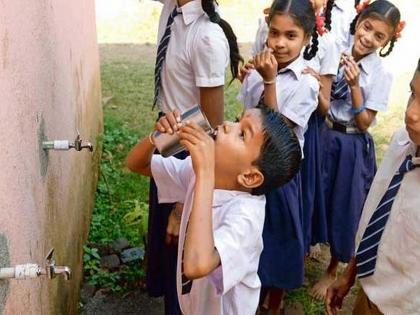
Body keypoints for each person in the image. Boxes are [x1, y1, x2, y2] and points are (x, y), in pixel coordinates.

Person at [126, 106, 302, 315]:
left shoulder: (246, 218)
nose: (228, 125)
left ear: (249, 177)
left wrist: (205, 173)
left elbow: (196, 266)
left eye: (242, 134)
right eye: (237, 120)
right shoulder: (197, 172)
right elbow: (136, 164)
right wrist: (157, 138)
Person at [148, 0, 241, 313]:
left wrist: (180, 203)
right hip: (168, 134)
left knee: (182, 258)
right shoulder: (172, 9)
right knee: (166, 250)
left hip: (189, 150)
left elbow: (210, 132)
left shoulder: (206, 37)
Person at [311, 0, 403, 300]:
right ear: (358, 19)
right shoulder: (334, 46)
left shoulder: (380, 74)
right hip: (324, 133)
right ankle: (308, 243)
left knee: (344, 203)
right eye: (367, 27)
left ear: (388, 42)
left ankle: (333, 267)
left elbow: (365, 123)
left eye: (380, 37)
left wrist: (354, 86)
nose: (368, 38)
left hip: (350, 142)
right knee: (315, 192)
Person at [238, 0, 320, 312]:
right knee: (252, 236)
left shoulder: (307, 83)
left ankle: (275, 300)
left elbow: (277, 136)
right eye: (274, 33)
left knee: (278, 239)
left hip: (280, 176)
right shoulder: (256, 73)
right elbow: (245, 115)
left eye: (291, 35)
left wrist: (270, 80)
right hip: (248, 170)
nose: (280, 43)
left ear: (307, 37)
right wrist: (257, 77)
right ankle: (250, 295)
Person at [325, 57, 420, 315]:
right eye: (413, 93)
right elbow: (377, 214)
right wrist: (351, 272)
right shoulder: (403, 143)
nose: (411, 113)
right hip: (369, 295)